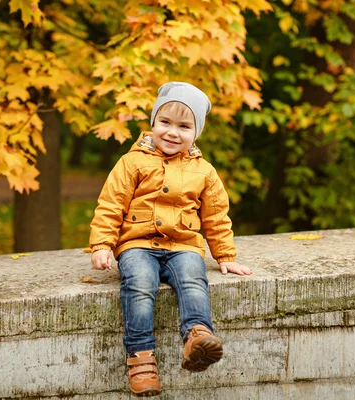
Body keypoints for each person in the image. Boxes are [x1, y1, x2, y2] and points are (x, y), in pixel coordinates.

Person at [89, 82, 253, 397]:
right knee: (139, 284)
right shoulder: (132, 162)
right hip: (137, 244)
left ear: (196, 132)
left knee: (193, 278)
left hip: (182, 246)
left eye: (184, 126)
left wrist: (225, 256)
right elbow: (111, 204)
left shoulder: (204, 171)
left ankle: (197, 335)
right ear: (153, 122)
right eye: (165, 122)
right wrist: (102, 245)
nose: (172, 132)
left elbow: (216, 217)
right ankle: (141, 358)